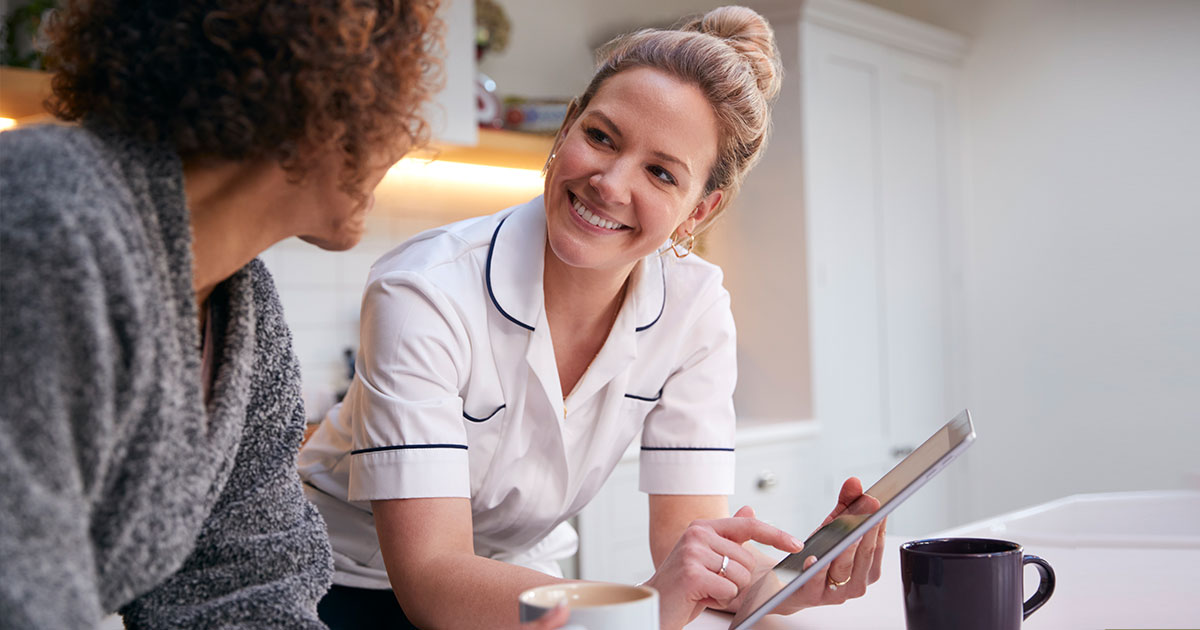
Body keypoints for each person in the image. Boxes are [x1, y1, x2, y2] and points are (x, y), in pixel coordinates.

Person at [299, 6, 887, 630]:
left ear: (698, 212)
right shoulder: (426, 288)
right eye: (601, 137)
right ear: (567, 129)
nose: (609, 183)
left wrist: (780, 585)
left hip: (523, 577)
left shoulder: (696, 309)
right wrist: (645, 606)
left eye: (661, 173)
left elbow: (685, 545)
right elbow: (431, 577)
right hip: (346, 582)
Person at [0, 1, 570, 629]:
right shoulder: (43, 220)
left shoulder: (242, 310)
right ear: (325, 99)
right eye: (392, 101)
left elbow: (246, 589)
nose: (403, 136)